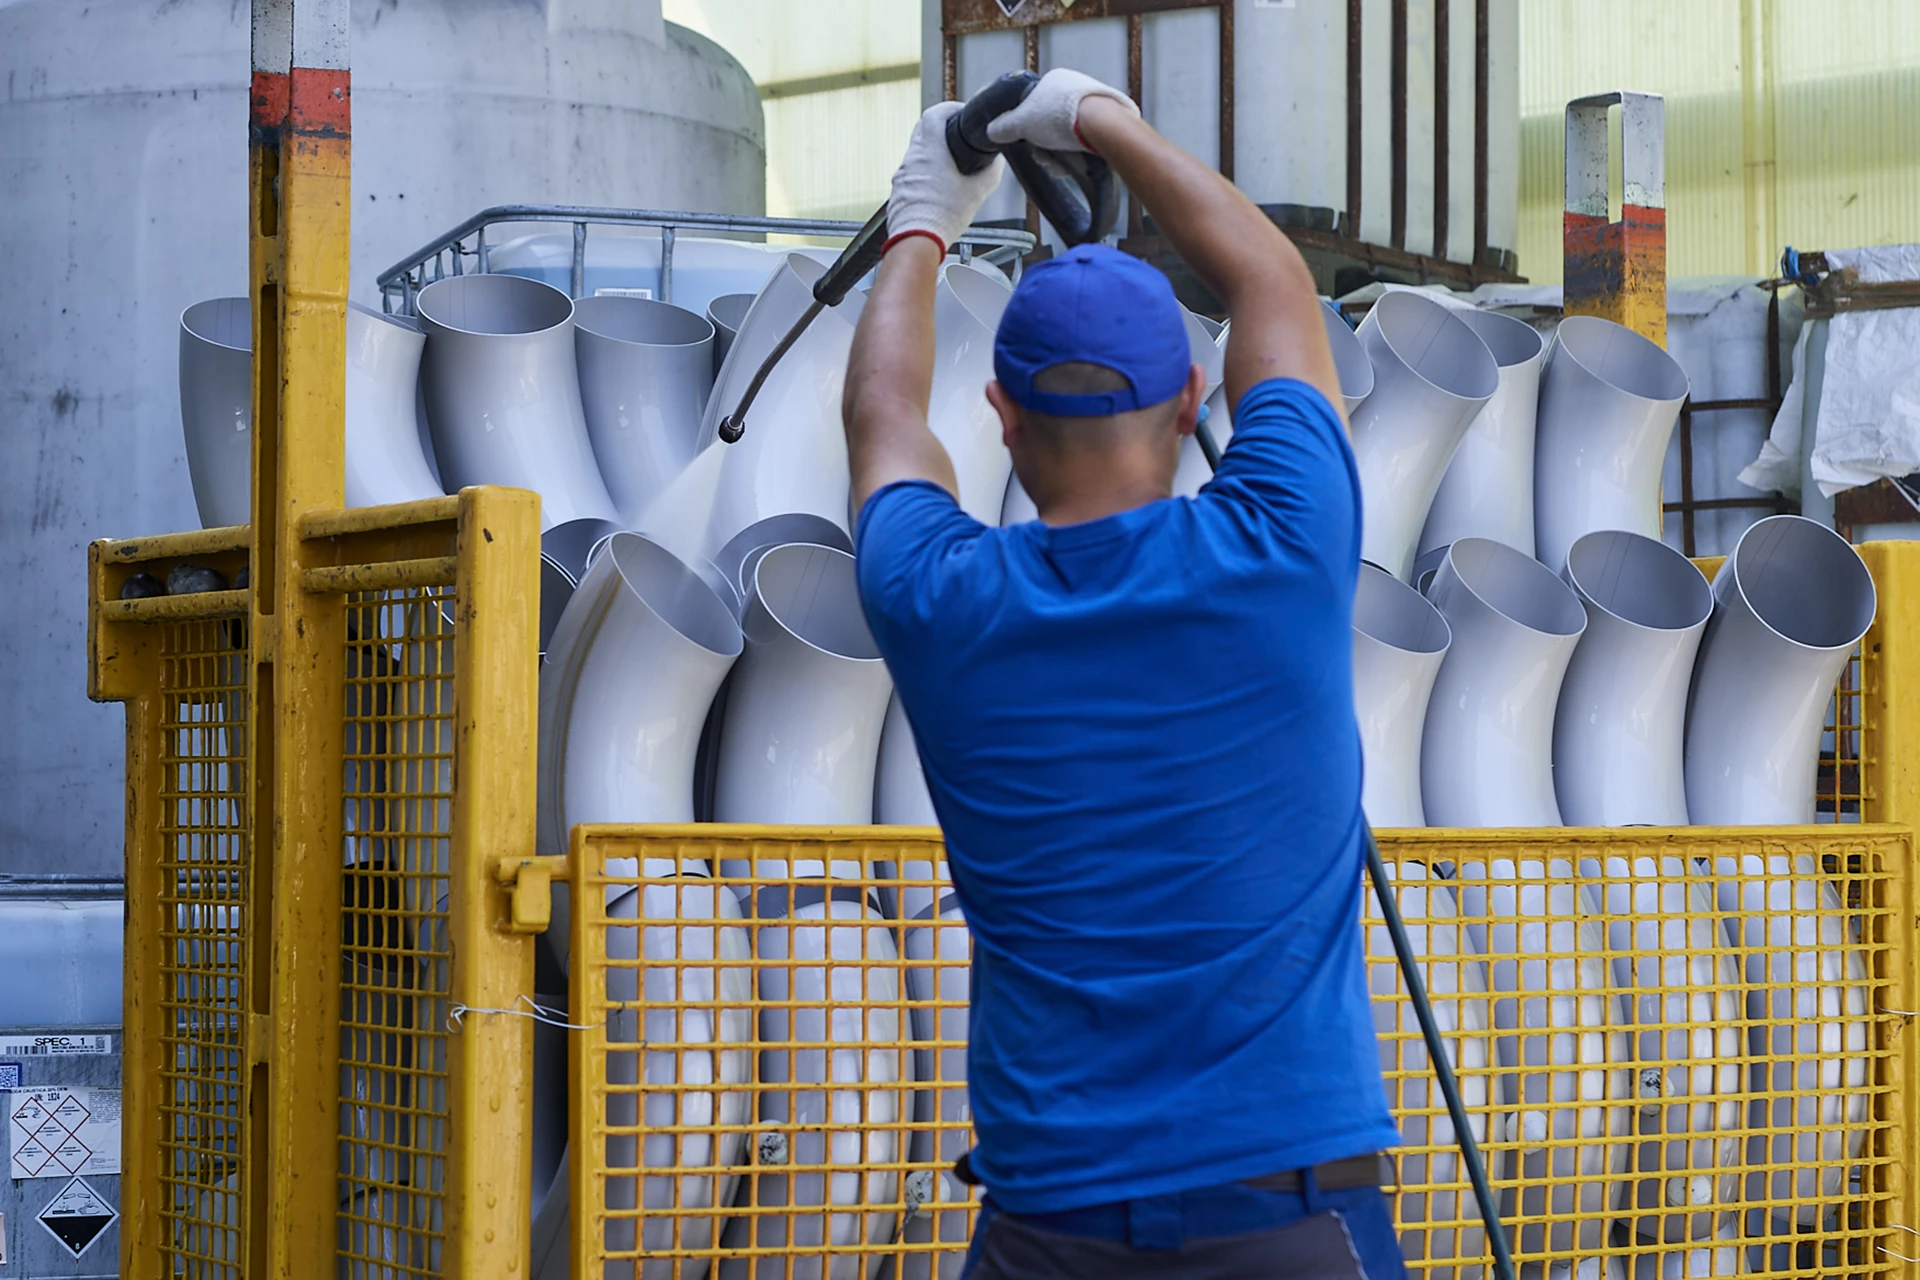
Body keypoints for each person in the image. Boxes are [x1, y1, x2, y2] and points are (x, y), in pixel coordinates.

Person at [843, 69, 1402, 1280]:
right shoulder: (1283, 544)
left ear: (999, 416)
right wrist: (1102, 120)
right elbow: (1269, 281)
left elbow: (883, 414)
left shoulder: (941, 598)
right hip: (1291, 1218)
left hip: (1053, 1229)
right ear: (1193, 397)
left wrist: (923, 222)